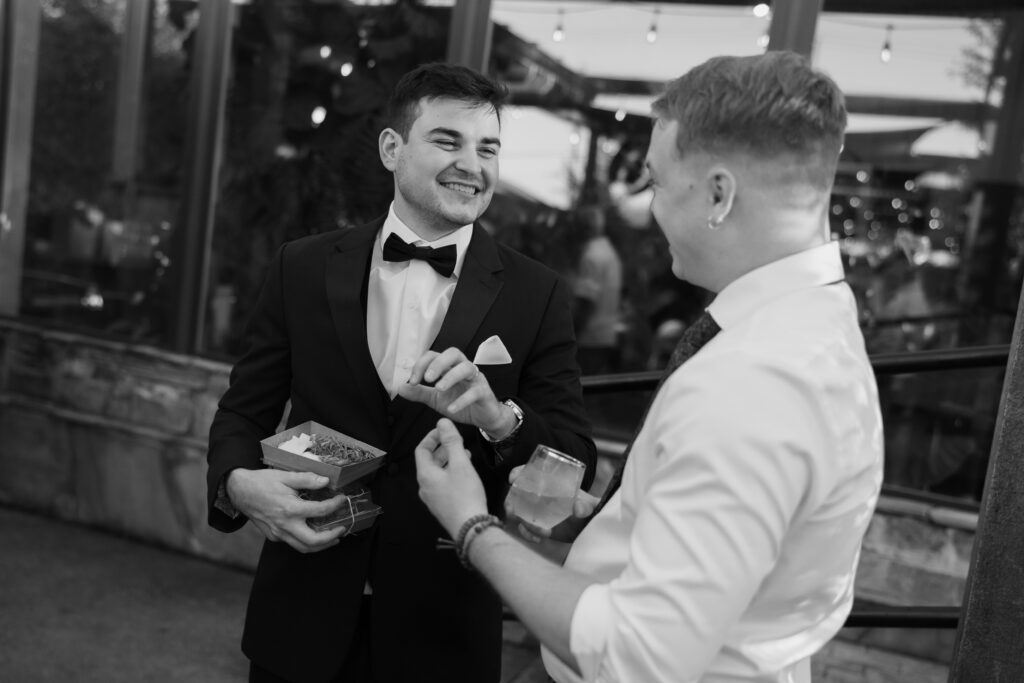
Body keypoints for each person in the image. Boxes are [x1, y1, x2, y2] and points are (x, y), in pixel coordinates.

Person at [413, 51, 884, 682]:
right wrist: (609, 515)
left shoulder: (753, 382)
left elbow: (634, 652)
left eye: (657, 183)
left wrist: (470, 521)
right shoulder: (813, 323)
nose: (650, 209)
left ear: (719, 193)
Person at [206, 62, 596, 683]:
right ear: (392, 148)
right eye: (448, 140)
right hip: (300, 619)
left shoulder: (536, 294)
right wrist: (236, 484)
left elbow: (574, 456)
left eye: (488, 148)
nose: (473, 164)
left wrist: (498, 419)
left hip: (443, 634)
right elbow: (244, 411)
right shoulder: (301, 267)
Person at [570, 204, 623, 375]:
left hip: (589, 337)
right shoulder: (609, 252)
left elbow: (586, 300)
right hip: (605, 335)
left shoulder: (591, 256)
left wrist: (570, 335)